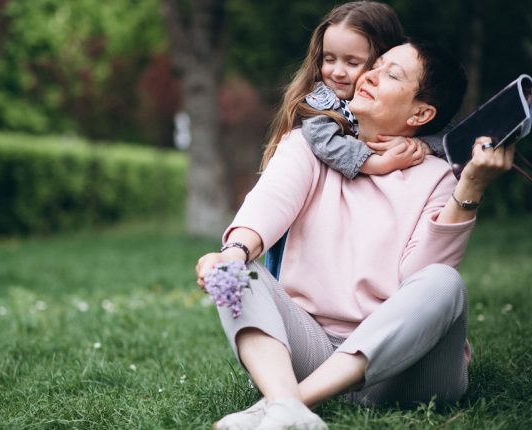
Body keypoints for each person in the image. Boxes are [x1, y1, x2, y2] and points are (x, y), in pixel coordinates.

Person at [195, 40, 515, 430]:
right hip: (309, 349)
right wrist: (233, 252)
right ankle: (286, 405)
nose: (371, 76)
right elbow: (269, 203)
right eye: (376, 65)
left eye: (392, 74)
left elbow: (418, 277)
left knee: (444, 281)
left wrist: (471, 188)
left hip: (407, 372)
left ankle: (286, 403)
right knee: (236, 269)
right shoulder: (308, 146)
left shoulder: (439, 178)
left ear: (421, 112)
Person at [264, 1, 443, 183]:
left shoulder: (402, 107)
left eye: (352, 63)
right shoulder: (321, 101)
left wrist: (419, 145)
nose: (338, 72)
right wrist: (377, 164)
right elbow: (323, 139)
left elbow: (446, 129)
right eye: (329, 59)